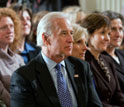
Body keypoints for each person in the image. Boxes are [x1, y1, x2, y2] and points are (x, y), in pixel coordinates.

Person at [10, 12, 102, 107]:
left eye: (71, 33)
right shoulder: (24, 77)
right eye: (64, 33)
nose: (71, 39)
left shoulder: (82, 67)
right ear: (46, 39)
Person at [81, 13, 124, 107]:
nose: (107, 38)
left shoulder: (107, 60)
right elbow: (92, 101)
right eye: (102, 33)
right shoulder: (83, 62)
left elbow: (118, 93)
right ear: (88, 34)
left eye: (108, 33)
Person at [0, 8, 24, 107]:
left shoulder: (18, 59)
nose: (10, 30)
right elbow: (3, 96)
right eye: (4, 27)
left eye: (11, 26)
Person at [102, 10, 124, 93]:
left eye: (121, 29)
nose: (118, 34)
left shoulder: (122, 54)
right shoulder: (98, 59)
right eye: (113, 29)